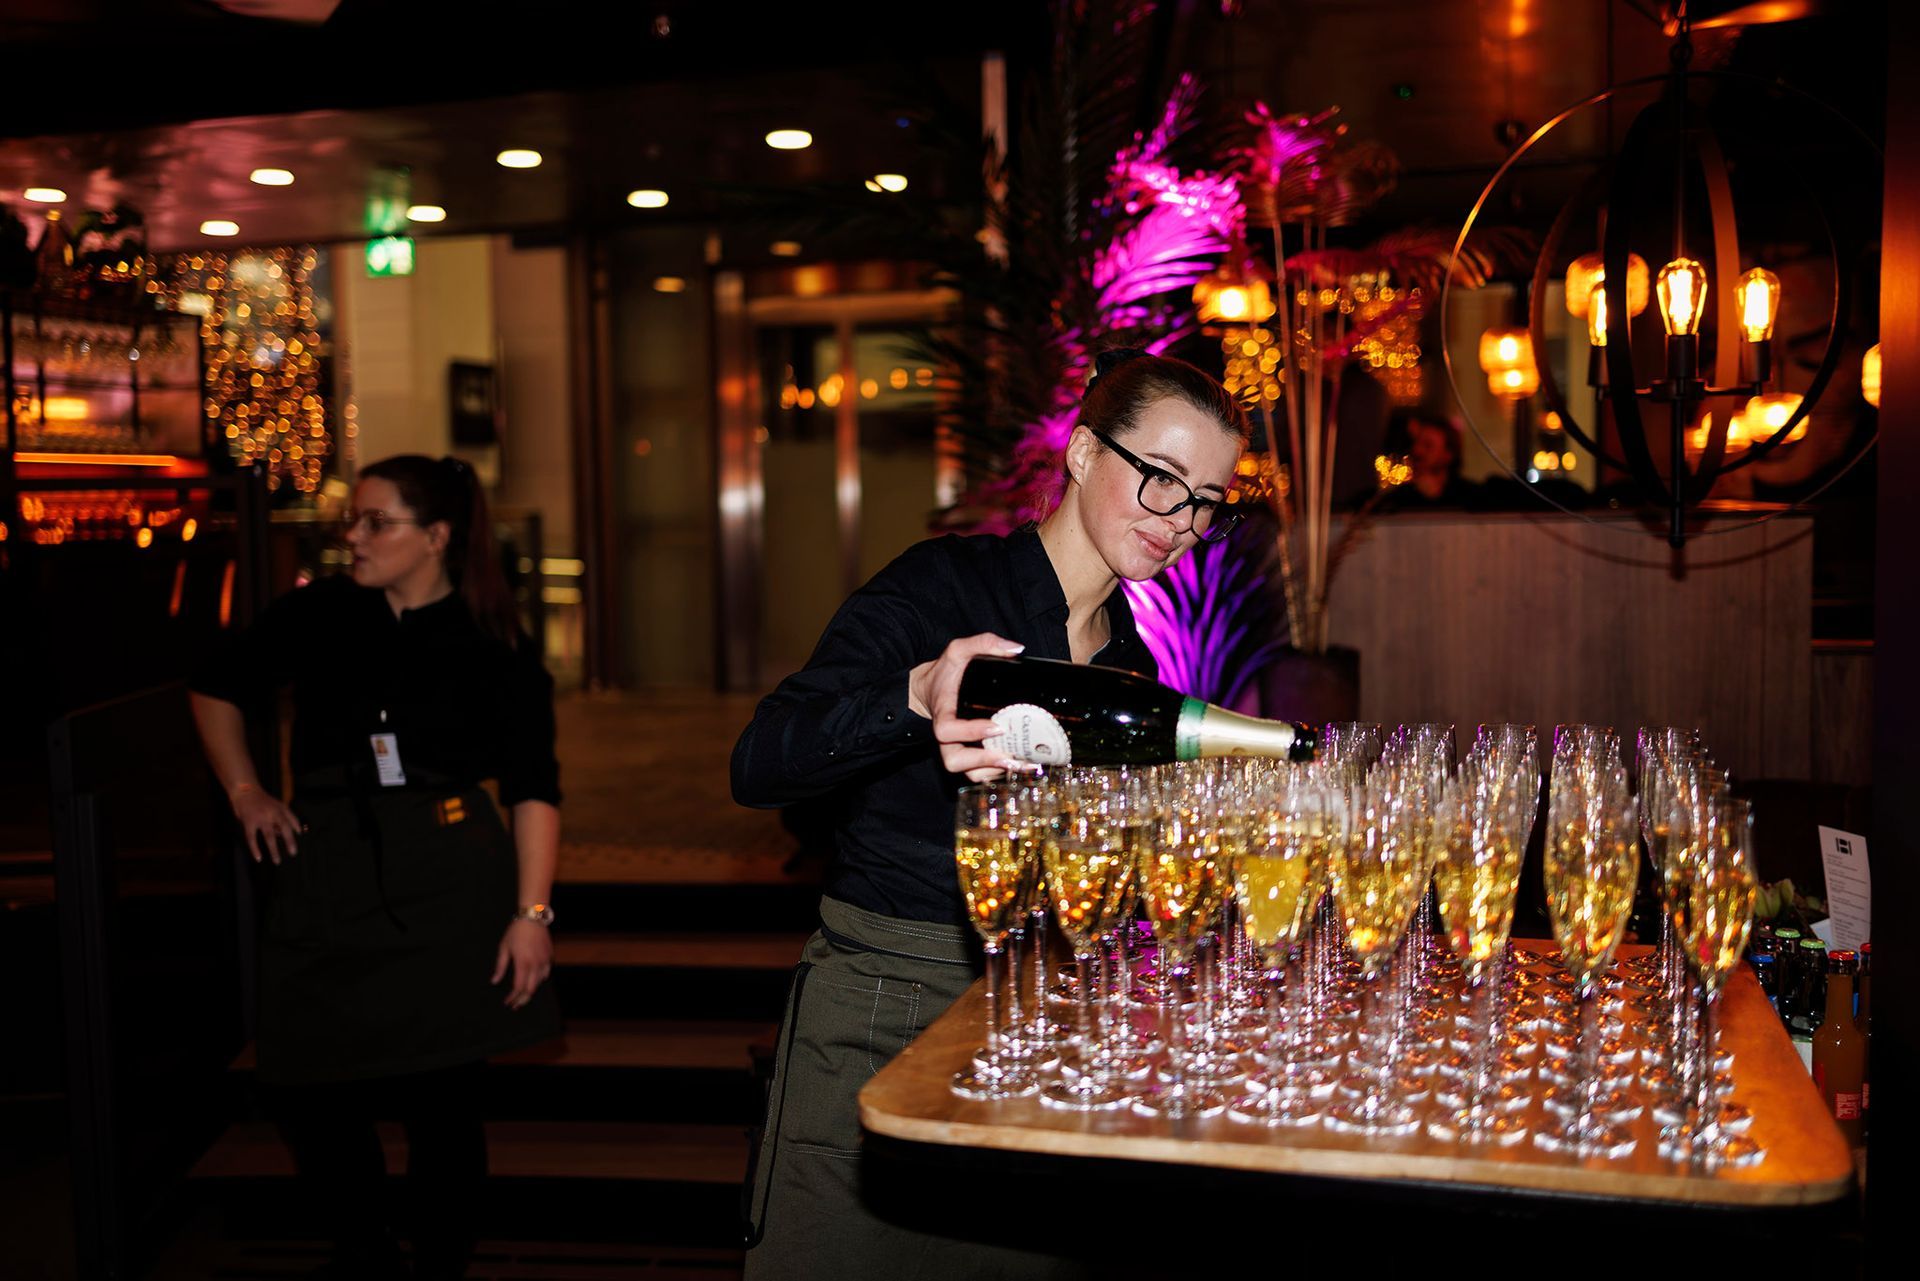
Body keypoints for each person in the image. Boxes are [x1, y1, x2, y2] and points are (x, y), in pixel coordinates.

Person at [731, 348, 1247, 1279]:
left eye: (1207, 499)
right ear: (1085, 453)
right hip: (884, 1004)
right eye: (1162, 480)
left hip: (1036, 1026)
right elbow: (764, 761)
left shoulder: (1130, 673)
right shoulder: (943, 589)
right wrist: (918, 691)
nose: (1182, 522)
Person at [189, 455, 562, 1280]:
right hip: (327, 867)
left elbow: (535, 787)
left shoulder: (490, 640)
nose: (352, 538)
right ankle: (363, 1248)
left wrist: (531, 916)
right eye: (350, 522)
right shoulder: (318, 613)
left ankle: (437, 1264)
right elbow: (215, 685)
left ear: (436, 537)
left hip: (450, 872)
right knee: (303, 1082)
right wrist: (246, 790)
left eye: (375, 522)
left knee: (444, 1103)